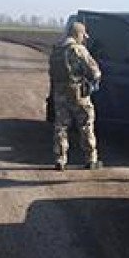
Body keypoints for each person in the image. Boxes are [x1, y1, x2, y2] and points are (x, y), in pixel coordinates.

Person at [48, 20, 102, 171]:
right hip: (77, 93)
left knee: (61, 127)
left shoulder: (57, 49)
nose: (83, 39)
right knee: (86, 124)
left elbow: (52, 73)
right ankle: (91, 159)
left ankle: (60, 159)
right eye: (83, 35)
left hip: (59, 93)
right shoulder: (78, 50)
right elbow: (95, 72)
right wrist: (93, 82)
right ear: (78, 34)